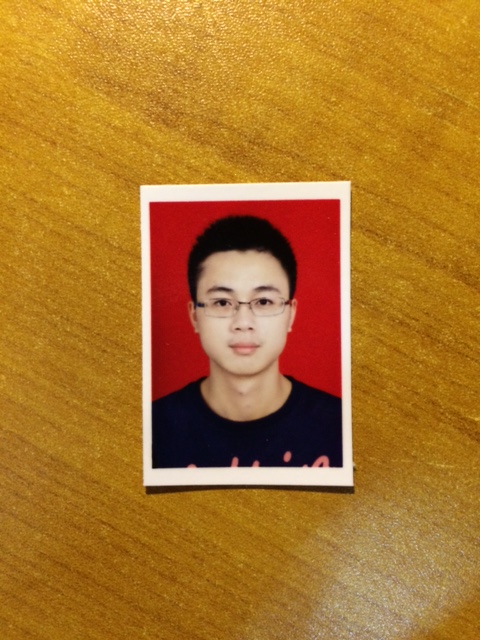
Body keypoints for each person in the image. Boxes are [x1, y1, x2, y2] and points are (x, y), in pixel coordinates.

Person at [152, 215, 342, 468]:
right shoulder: (153, 430)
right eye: (222, 302)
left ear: (291, 314)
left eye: (263, 302)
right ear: (194, 316)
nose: (243, 322)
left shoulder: (340, 426)